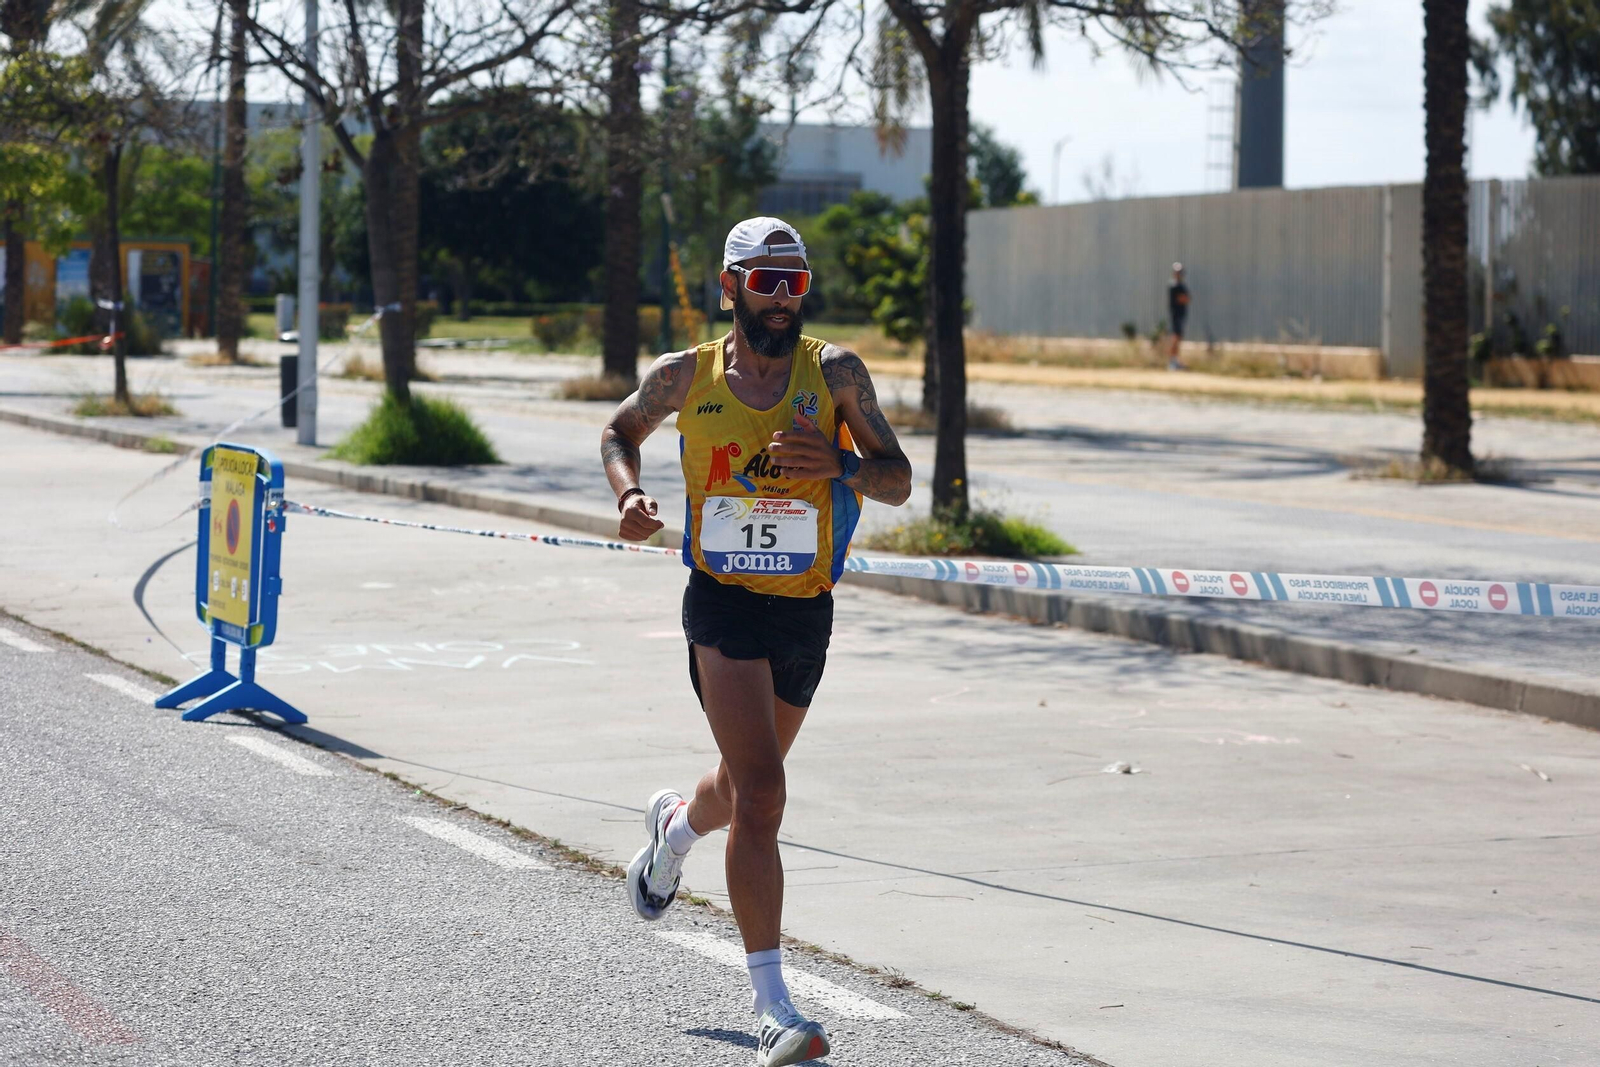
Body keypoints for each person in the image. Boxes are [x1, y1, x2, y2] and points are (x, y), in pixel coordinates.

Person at [600, 217, 912, 1067]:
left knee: (741, 788)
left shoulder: (836, 375)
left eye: (795, 282)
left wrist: (838, 465)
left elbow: (898, 480)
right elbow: (618, 433)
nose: (782, 299)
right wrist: (630, 496)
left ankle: (673, 829)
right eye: (765, 281)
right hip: (723, 602)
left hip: (804, 608)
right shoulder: (685, 377)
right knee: (767, 790)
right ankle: (774, 1007)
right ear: (730, 286)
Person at [1167, 262, 1190, 370]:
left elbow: (1187, 298)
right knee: (1175, 338)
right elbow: (1183, 299)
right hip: (1176, 315)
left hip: (1181, 315)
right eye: (1177, 272)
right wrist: (1185, 298)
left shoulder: (1181, 285)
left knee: (1178, 337)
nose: (1178, 274)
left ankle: (1176, 360)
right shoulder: (1174, 286)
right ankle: (1172, 362)